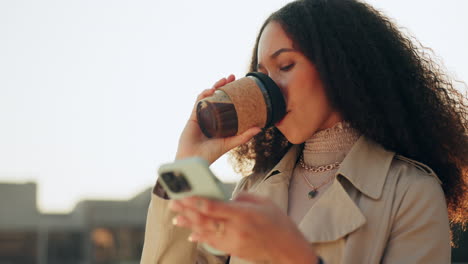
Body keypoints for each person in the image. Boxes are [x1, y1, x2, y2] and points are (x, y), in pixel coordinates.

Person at [140, 0, 468, 263]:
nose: (268, 90)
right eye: (261, 76)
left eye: (285, 66)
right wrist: (187, 163)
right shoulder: (253, 189)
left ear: (341, 66)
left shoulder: (411, 193)